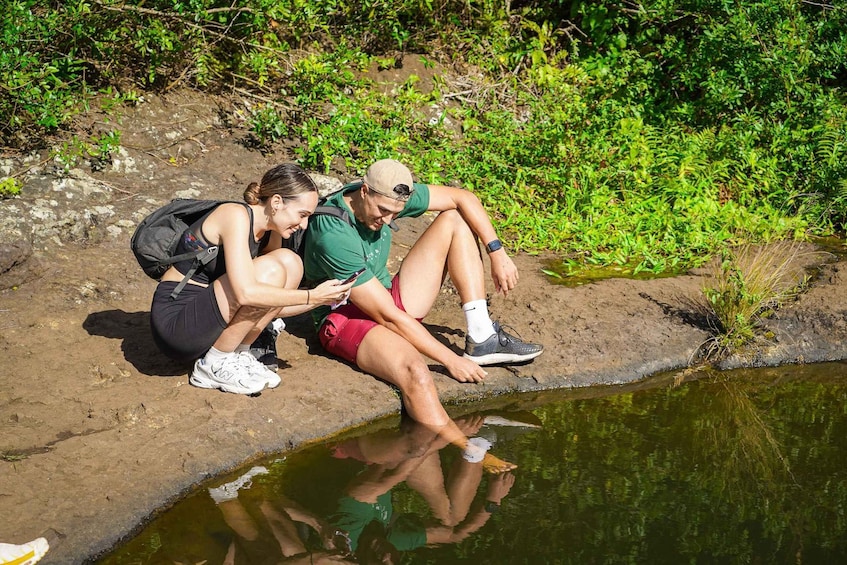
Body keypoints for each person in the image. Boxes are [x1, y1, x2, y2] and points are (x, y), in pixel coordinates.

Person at [302, 158, 543, 470]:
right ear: (364, 192)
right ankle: (468, 449)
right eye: (382, 212)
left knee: (455, 219)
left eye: (396, 213)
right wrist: (450, 359)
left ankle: (482, 335)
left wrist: (497, 251)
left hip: (384, 300)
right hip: (347, 317)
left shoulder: (389, 195)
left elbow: (462, 197)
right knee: (417, 373)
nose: (388, 221)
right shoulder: (333, 233)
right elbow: (388, 317)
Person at [150, 163, 354, 395]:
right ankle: (213, 364)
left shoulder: (270, 233)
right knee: (272, 270)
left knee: (291, 262)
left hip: (211, 319)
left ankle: (239, 353)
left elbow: (271, 306)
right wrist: (311, 294)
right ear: (276, 202)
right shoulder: (234, 215)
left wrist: (322, 299)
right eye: (302, 215)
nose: (304, 225)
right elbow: (246, 293)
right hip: (178, 323)